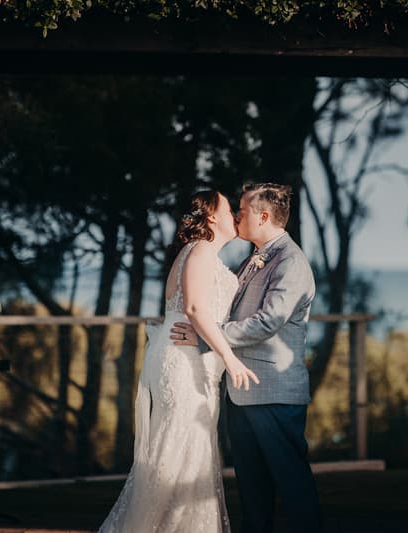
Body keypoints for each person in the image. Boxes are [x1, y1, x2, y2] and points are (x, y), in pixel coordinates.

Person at [98, 190, 258, 533]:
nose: (236, 215)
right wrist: (231, 358)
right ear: (212, 216)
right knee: (181, 447)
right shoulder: (199, 250)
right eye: (230, 209)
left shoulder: (198, 253)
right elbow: (195, 309)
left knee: (188, 447)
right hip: (183, 363)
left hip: (187, 355)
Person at [173, 182, 322, 533]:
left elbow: (267, 322)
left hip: (274, 392)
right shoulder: (252, 259)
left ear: (264, 215)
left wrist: (208, 337)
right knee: (252, 489)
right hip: (241, 391)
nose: (237, 216)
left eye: (243, 210)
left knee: (292, 484)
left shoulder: (291, 262)